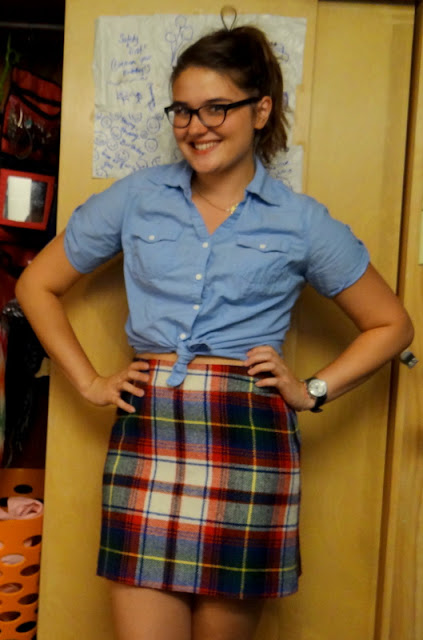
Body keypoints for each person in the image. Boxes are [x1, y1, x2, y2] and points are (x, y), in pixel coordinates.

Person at [16, 19, 413, 640]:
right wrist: (90, 382)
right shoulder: (137, 198)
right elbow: (35, 284)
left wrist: (310, 389)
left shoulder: (300, 221)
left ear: (261, 110)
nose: (196, 126)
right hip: (150, 431)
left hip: (247, 440)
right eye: (183, 110)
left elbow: (392, 324)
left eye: (216, 107)